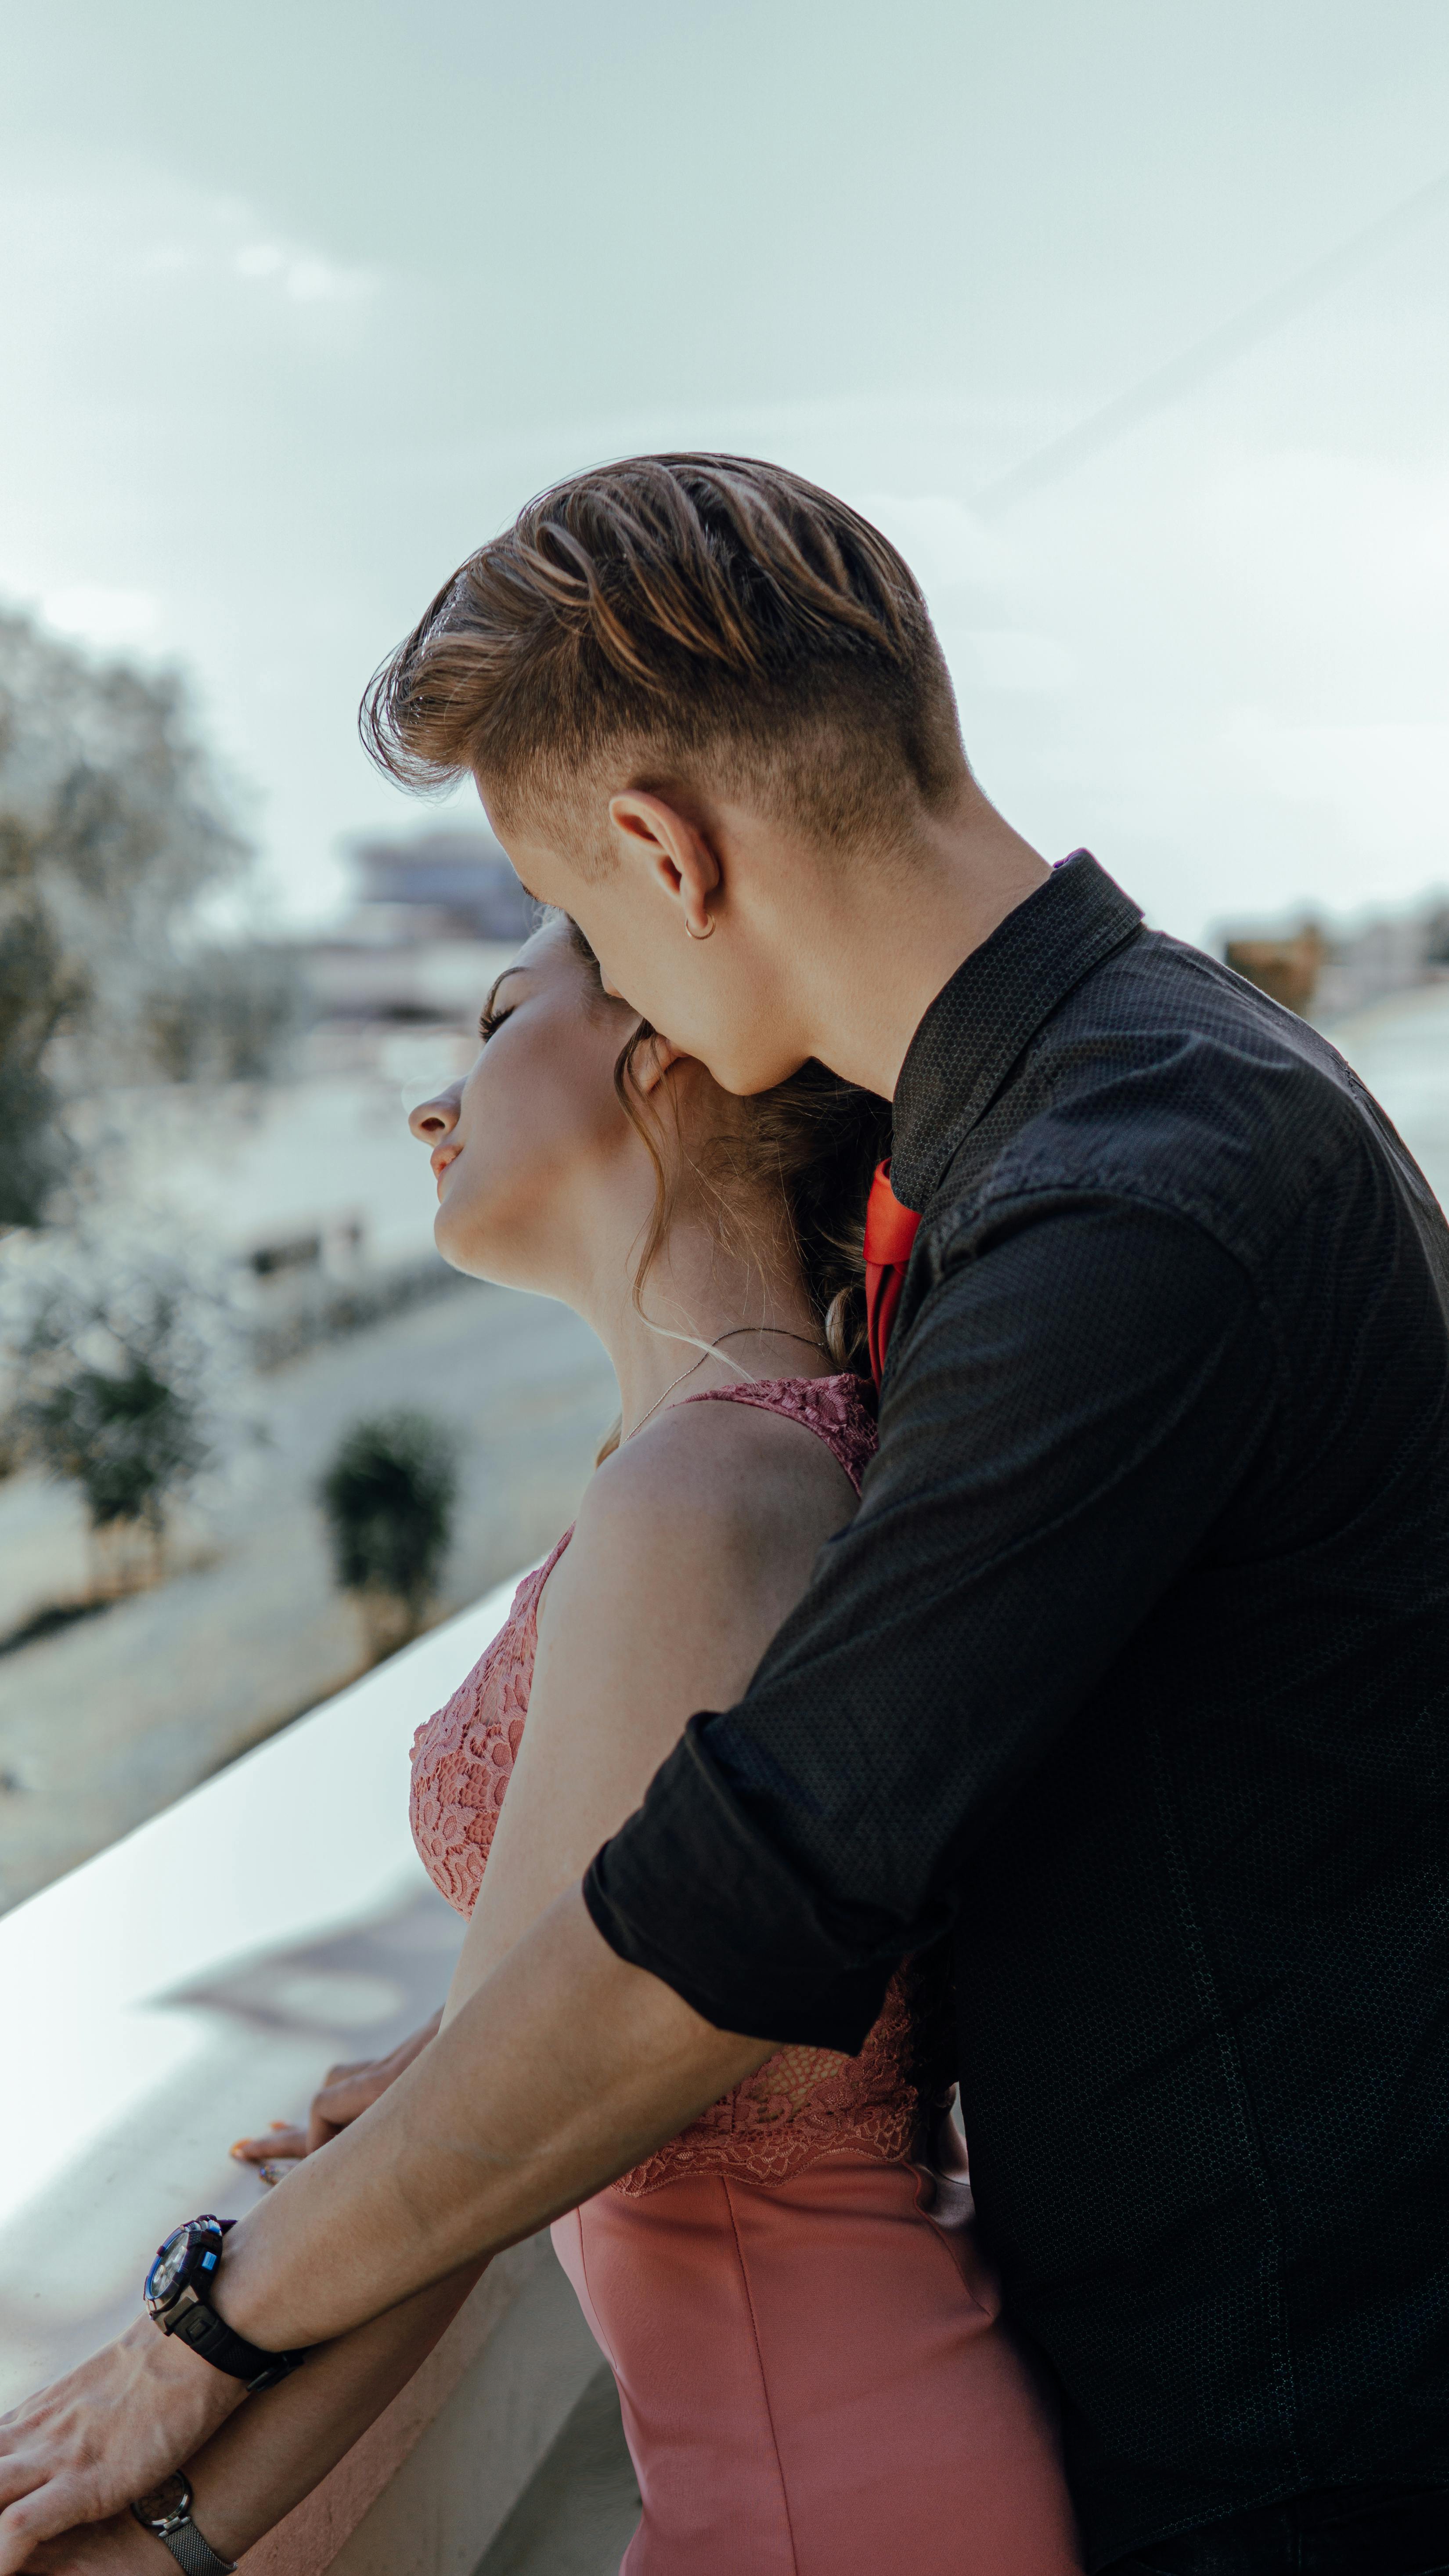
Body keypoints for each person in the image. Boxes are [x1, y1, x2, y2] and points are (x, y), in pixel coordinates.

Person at [7, 455, 1449, 2576]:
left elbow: (745, 1901)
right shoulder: (1113, 1119)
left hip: (1309, 2452)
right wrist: (441, 2058)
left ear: (665, 856)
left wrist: (207, 2319)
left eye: (576, 926)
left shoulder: (1133, 1201)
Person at [209, 909, 1080, 2573]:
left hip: (831, 2483)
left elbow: (484, 2154)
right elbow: (555, 1999)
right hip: (810, 2453)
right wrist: (425, 2071)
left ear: (658, 1036)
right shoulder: (725, 1460)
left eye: (491, 1017)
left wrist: (166, 2491)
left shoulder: (713, 1493)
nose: (431, 1102)